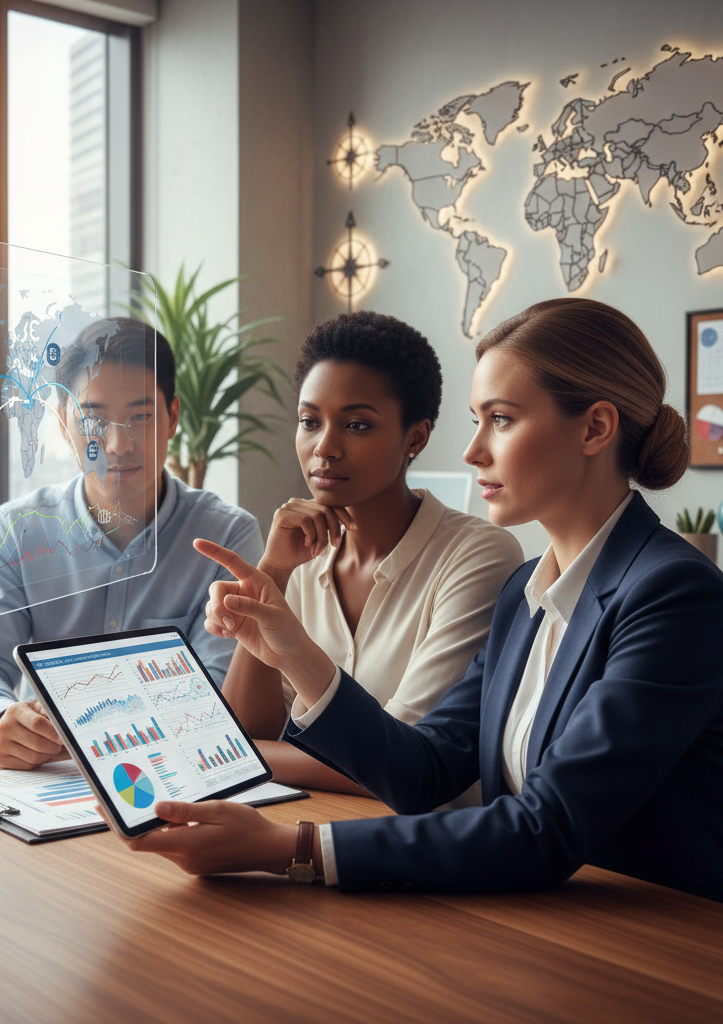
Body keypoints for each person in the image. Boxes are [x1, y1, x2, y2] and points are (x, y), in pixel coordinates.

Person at [115, 298, 723, 913]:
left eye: (502, 419)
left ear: (595, 427)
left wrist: (291, 847)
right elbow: (423, 771)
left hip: (679, 939)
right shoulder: (526, 594)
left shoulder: (673, 595)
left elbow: (549, 828)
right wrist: (294, 653)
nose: (472, 450)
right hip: (549, 918)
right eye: (478, 418)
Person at [0, 317, 263, 769]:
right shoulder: (16, 530)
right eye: (92, 419)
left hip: (174, 778)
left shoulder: (228, 537)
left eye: (140, 416)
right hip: (50, 778)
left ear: (172, 418)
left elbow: (217, 692)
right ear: (62, 422)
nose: (117, 444)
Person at [221, 310, 522, 794]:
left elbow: (405, 761)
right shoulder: (299, 560)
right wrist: (273, 573)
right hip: (311, 830)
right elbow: (245, 732)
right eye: (308, 421)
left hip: (418, 851)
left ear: (416, 438)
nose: (324, 447)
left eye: (357, 425)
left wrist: (233, 757)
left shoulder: (478, 555)